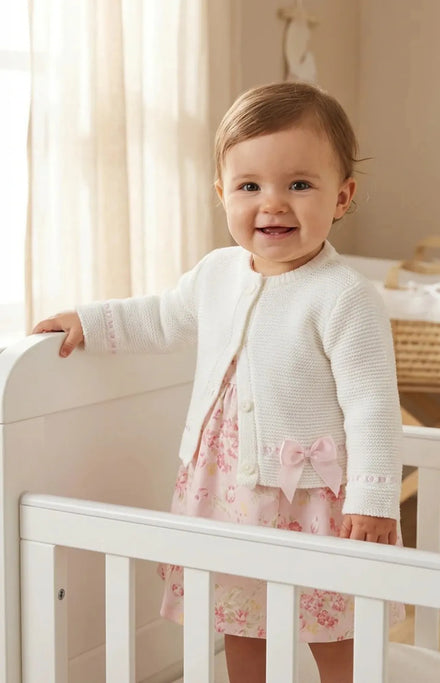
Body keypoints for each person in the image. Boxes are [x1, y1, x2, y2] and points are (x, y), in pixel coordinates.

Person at [33, 81, 404, 683]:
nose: (273, 204)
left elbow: (372, 406)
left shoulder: (344, 297)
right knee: (240, 616)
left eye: (299, 184)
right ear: (221, 194)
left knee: (334, 624)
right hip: (227, 494)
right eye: (249, 186)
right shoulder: (216, 273)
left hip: (309, 497)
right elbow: (159, 317)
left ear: (342, 196)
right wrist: (91, 322)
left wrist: (374, 500)